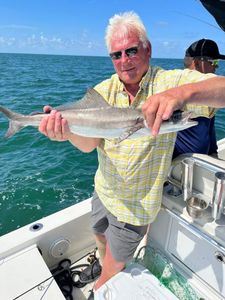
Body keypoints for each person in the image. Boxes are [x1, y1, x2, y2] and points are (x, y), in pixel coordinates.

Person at [38, 12, 225, 299]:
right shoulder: (103, 92)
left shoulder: (170, 81)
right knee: (99, 236)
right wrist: (66, 133)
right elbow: (89, 145)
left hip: (134, 207)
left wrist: (183, 94)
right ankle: (101, 266)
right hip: (104, 191)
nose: (124, 60)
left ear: (147, 49)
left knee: (110, 274)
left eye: (131, 50)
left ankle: (102, 285)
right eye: (116, 54)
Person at [173, 38, 225, 159]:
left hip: (203, 162)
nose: (216, 67)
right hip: (180, 165)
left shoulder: (209, 95)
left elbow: (209, 130)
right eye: (213, 62)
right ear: (196, 63)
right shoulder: (176, 91)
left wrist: (214, 154)